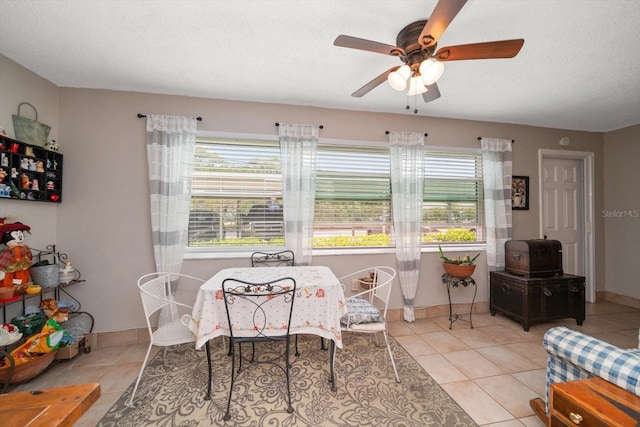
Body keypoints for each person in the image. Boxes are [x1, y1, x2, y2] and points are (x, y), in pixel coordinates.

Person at [0, 218, 33, 287]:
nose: (19, 236)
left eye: (20, 233)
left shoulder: (15, 250)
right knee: (16, 284)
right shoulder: (22, 248)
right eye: (16, 234)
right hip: (18, 272)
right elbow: (30, 257)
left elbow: (3, 263)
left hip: (17, 272)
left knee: (12, 285)